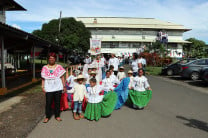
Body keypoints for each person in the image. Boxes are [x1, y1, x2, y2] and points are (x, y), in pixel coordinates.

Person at [41, 52, 66, 123]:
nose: (51, 59)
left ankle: (57, 116)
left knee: (57, 102)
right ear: (48, 59)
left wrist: (64, 86)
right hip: (48, 87)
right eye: (50, 58)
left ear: (55, 59)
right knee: (48, 102)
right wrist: (42, 86)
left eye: (53, 58)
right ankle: (47, 116)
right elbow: (43, 78)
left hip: (58, 87)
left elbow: (62, 77)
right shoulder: (44, 68)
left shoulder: (59, 67)